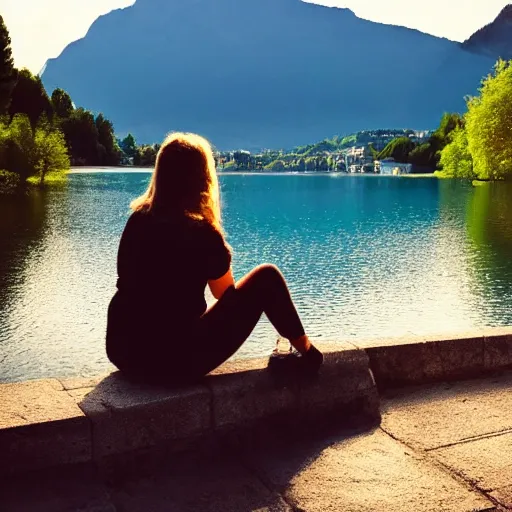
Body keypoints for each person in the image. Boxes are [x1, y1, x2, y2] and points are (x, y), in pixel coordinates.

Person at [106, 132, 323, 386]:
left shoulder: (138, 220)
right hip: (171, 364)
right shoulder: (201, 232)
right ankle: (308, 354)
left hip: (123, 351)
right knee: (267, 278)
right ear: (202, 178)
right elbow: (225, 294)